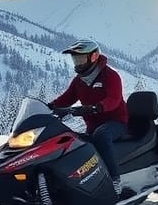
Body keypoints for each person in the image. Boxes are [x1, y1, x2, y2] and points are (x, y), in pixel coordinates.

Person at [49, 38, 128, 195]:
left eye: (80, 58)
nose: (77, 63)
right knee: (74, 141)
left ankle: (114, 180)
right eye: (75, 59)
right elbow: (66, 98)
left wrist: (96, 107)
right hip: (93, 125)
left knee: (101, 135)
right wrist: (49, 107)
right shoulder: (79, 81)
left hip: (116, 122)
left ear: (93, 57)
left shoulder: (110, 76)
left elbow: (114, 99)